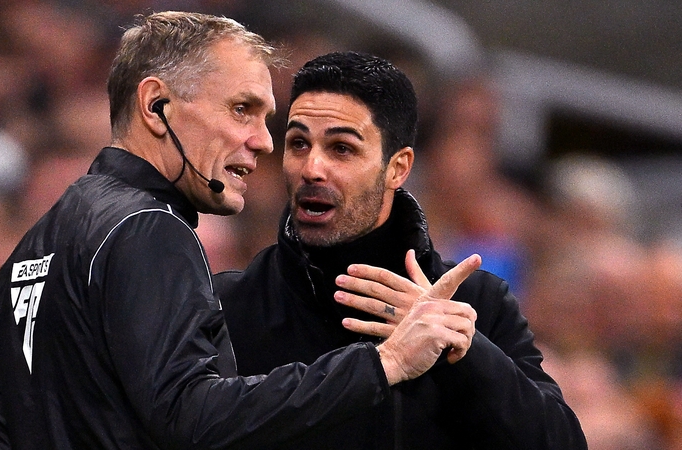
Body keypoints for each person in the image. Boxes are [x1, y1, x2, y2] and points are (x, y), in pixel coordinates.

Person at [0, 13, 483, 449]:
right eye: (242, 110)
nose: (264, 141)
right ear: (157, 106)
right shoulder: (146, 227)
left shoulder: (38, 242)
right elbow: (191, 416)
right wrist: (385, 362)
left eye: (266, 117)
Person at [214, 51, 587, 449]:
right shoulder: (228, 305)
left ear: (398, 168)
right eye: (298, 143)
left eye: (342, 148)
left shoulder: (475, 304)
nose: (312, 168)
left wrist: (468, 353)